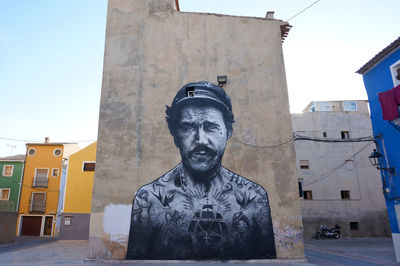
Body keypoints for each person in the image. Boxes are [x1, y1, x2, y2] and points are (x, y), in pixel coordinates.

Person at [126, 81, 276, 260]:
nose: (201, 140)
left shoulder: (253, 197)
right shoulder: (149, 200)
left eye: (211, 127)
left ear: (228, 131)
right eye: (188, 127)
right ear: (175, 136)